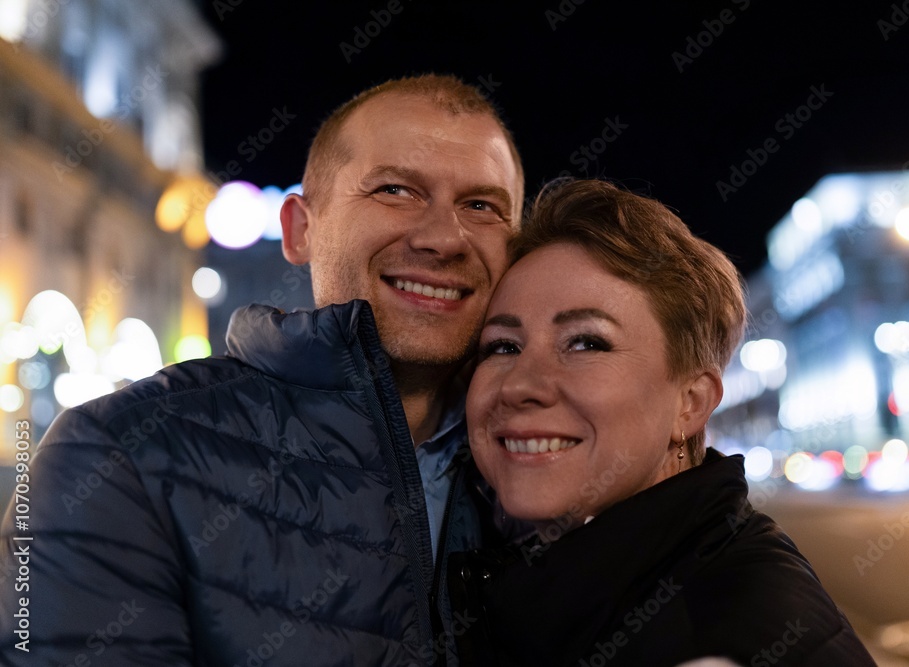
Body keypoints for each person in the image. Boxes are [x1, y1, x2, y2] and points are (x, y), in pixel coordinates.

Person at [0, 74, 525, 666]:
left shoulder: (538, 466)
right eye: (396, 190)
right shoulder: (113, 456)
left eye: (481, 206)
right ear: (300, 230)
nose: (445, 238)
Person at [447, 179, 878, 666]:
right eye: (502, 346)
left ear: (691, 404)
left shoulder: (724, 639)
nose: (520, 385)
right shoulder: (567, 576)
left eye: (586, 342)